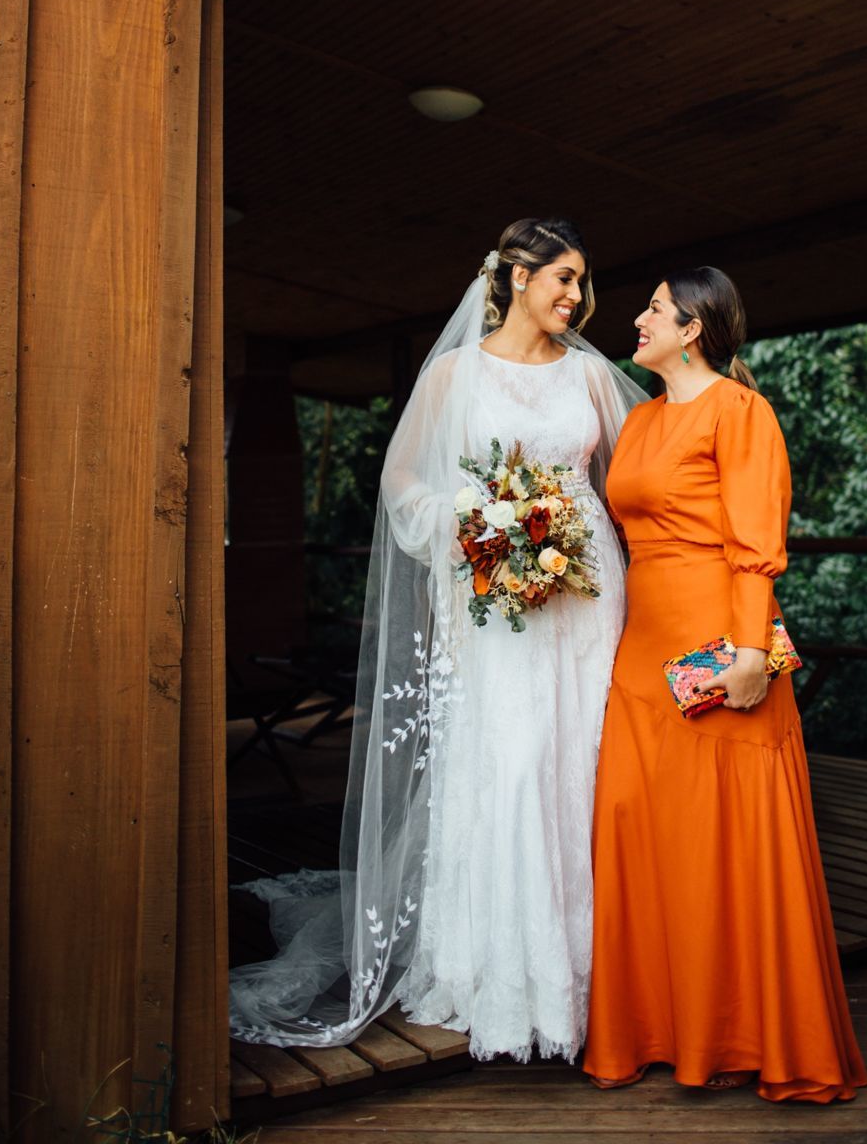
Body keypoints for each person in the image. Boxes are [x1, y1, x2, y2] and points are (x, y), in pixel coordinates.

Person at [229, 217, 646, 1062]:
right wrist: (477, 524)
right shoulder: (454, 374)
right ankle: (494, 972)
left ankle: (608, 967)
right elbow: (403, 481)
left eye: (579, 281)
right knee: (512, 760)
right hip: (495, 590)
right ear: (515, 276)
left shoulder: (593, 378)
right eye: (560, 277)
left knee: (585, 759)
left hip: (587, 592)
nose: (574, 296)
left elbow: (633, 487)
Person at [583, 266, 867, 1103]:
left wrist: (749, 651)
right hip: (639, 656)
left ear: (692, 329)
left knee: (728, 842)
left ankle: (750, 1037)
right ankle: (658, 1032)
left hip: (718, 646)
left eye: (653, 310)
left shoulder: (742, 412)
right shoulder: (636, 423)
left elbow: (755, 542)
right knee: (644, 834)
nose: (636, 319)